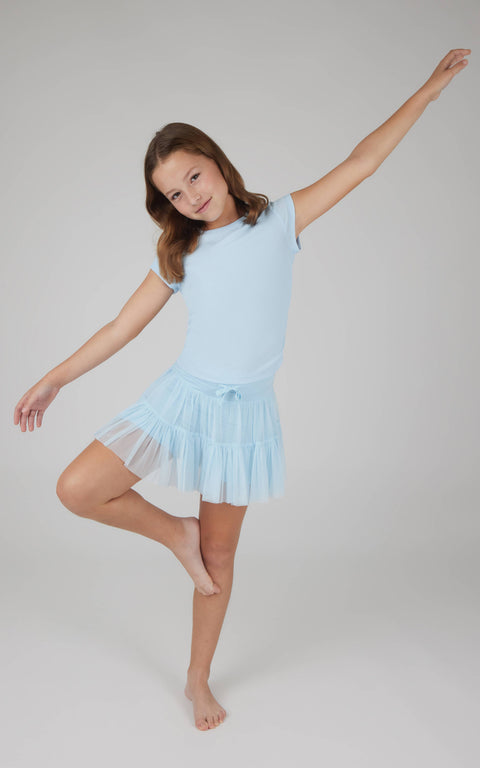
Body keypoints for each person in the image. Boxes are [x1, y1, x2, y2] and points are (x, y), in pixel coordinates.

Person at [13, 49, 470, 731]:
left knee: (220, 557)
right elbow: (120, 328)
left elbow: (361, 162)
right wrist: (53, 378)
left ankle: (197, 680)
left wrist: (428, 92)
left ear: (218, 164)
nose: (190, 196)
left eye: (194, 176)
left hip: (243, 416)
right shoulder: (180, 254)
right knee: (78, 488)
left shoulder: (279, 221)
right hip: (182, 399)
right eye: (174, 194)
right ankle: (176, 533)